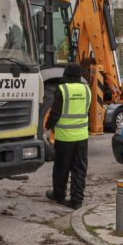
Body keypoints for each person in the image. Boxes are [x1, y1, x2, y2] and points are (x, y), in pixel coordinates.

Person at [45, 62, 91, 210]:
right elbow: (86, 112)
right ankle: (76, 200)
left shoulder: (62, 90)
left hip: (65, 137)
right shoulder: (87, 90)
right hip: (82, 137)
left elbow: (55, 113)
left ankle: (59, 195)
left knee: (61, 168)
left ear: (66, 75)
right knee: (79, 169)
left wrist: (48, 126)